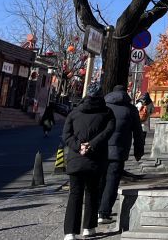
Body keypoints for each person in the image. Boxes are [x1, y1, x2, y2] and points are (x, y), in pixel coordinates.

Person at [62, 90, 114, 240]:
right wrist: (91, 145)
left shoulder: (74, 112)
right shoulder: (107, 113)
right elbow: (108, 132)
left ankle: (70, 232)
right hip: (96, 159)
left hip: (76, 159)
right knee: (92, 192)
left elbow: (66, 135)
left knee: (75, 194)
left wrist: (79, 146)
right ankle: (88, 228)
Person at [98, 85, 146, 225]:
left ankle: (96, 208)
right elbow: (137, 132)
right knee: (112, 181)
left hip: (101, 149)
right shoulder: (130, 109)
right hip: (119, 151)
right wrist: (138, 151)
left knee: (100, 179)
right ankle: (104, 212)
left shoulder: (103, 106)